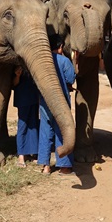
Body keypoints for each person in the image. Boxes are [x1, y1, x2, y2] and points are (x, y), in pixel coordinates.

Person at [38, 35, 76, 176]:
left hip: (45, 101)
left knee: (45, 131)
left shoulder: (42, 62)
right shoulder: (64, 61)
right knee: (62, 131)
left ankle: (45, 166)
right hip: (61, 103)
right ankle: (64, 166)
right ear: (60, 47)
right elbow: (71, 78)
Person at [12, 65, 39, 167]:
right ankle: (21, 155)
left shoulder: (33, 64)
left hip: (34, 99)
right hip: (22, 100)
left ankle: (33, 153)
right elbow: (14, 84)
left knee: (34, 126)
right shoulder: (17, 66)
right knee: (22, 126)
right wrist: (17, 75)